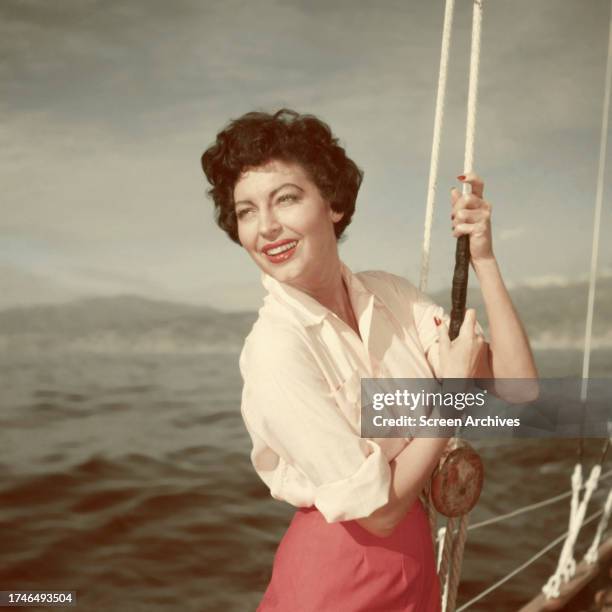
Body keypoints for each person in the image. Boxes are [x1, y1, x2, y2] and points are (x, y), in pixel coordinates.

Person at [201, 109, 538, 611]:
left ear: (333, 204)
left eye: (286, 198)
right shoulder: (276, 348)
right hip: (335, 580)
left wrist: (484, 260)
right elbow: (377, 514)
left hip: (413, 565)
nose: (266, 227)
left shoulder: (392, 297)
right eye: (246, 211)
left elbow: (518, 394)